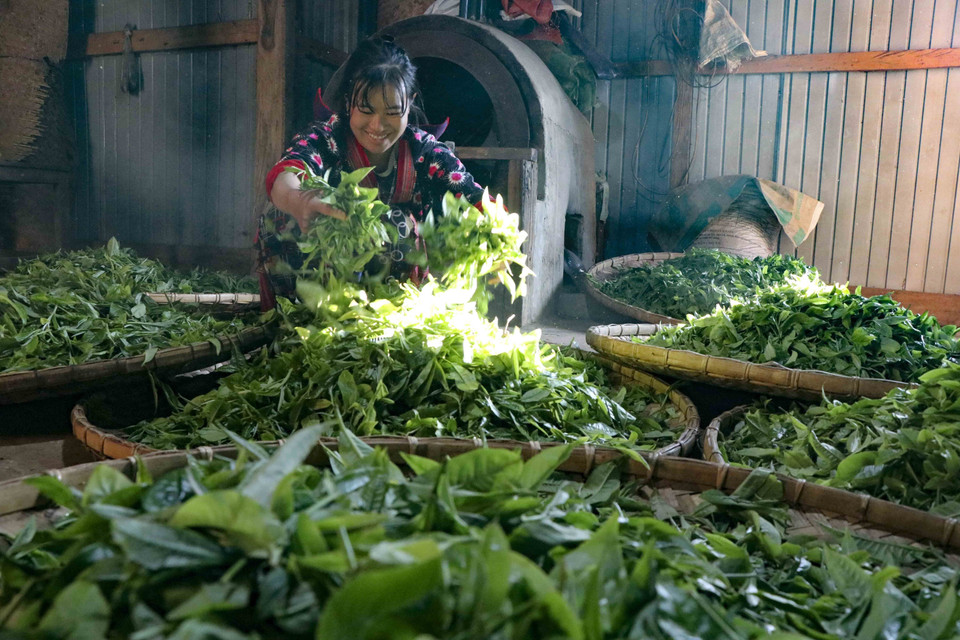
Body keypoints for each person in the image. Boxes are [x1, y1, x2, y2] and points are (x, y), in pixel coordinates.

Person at [256, 35, 488, 309]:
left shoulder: (425, 152)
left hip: (391, 298)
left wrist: (492, 239)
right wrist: (298, 200)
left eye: (392, 112)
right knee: (278, 214)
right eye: (366, 110)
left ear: (409, 103)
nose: (378, 126)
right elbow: (286, 174)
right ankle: (293, 317)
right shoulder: (327, 140)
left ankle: (385, 324)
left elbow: (478, 201)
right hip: (316, 287)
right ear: (348, 103)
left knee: (397, 224)